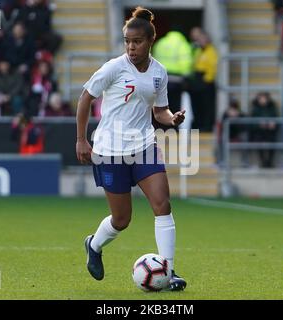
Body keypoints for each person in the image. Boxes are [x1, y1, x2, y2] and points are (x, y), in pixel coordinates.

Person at [76, 7, 187, 291]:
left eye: (136, 41)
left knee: (163, 204)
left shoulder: (159, 73)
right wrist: (81, 140)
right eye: (127, 41)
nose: (131, 46)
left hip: (144, 145)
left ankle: (169, 270)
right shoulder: (114, 68)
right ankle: (94, 244)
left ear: (150, 40)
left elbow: (159, 111)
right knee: (122, 219)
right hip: (111, 150)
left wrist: (171, 118)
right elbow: (85, 99)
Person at [189, 32, 219, 131]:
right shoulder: (198, 51)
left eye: (202, 39)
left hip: (205, 82)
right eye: (199, 40)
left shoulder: (211, 52)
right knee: (197, 105)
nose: (200, 42)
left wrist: (206, 80)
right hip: (197, 80)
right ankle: (198, 124)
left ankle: (207, 126)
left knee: (207, 106)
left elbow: (213, 67)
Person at [250, 92, 278, 168]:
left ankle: (270, 161)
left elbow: (276, 119)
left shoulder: (272, 107)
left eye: (264, 98)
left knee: (273, 141)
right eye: (261, 98)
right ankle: (263, 161)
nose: (263, 100)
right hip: (259, 132)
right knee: (258, 141)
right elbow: (251, 123)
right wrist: (259, 125)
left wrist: (273, 124)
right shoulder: (255, 108)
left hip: (270, 131)